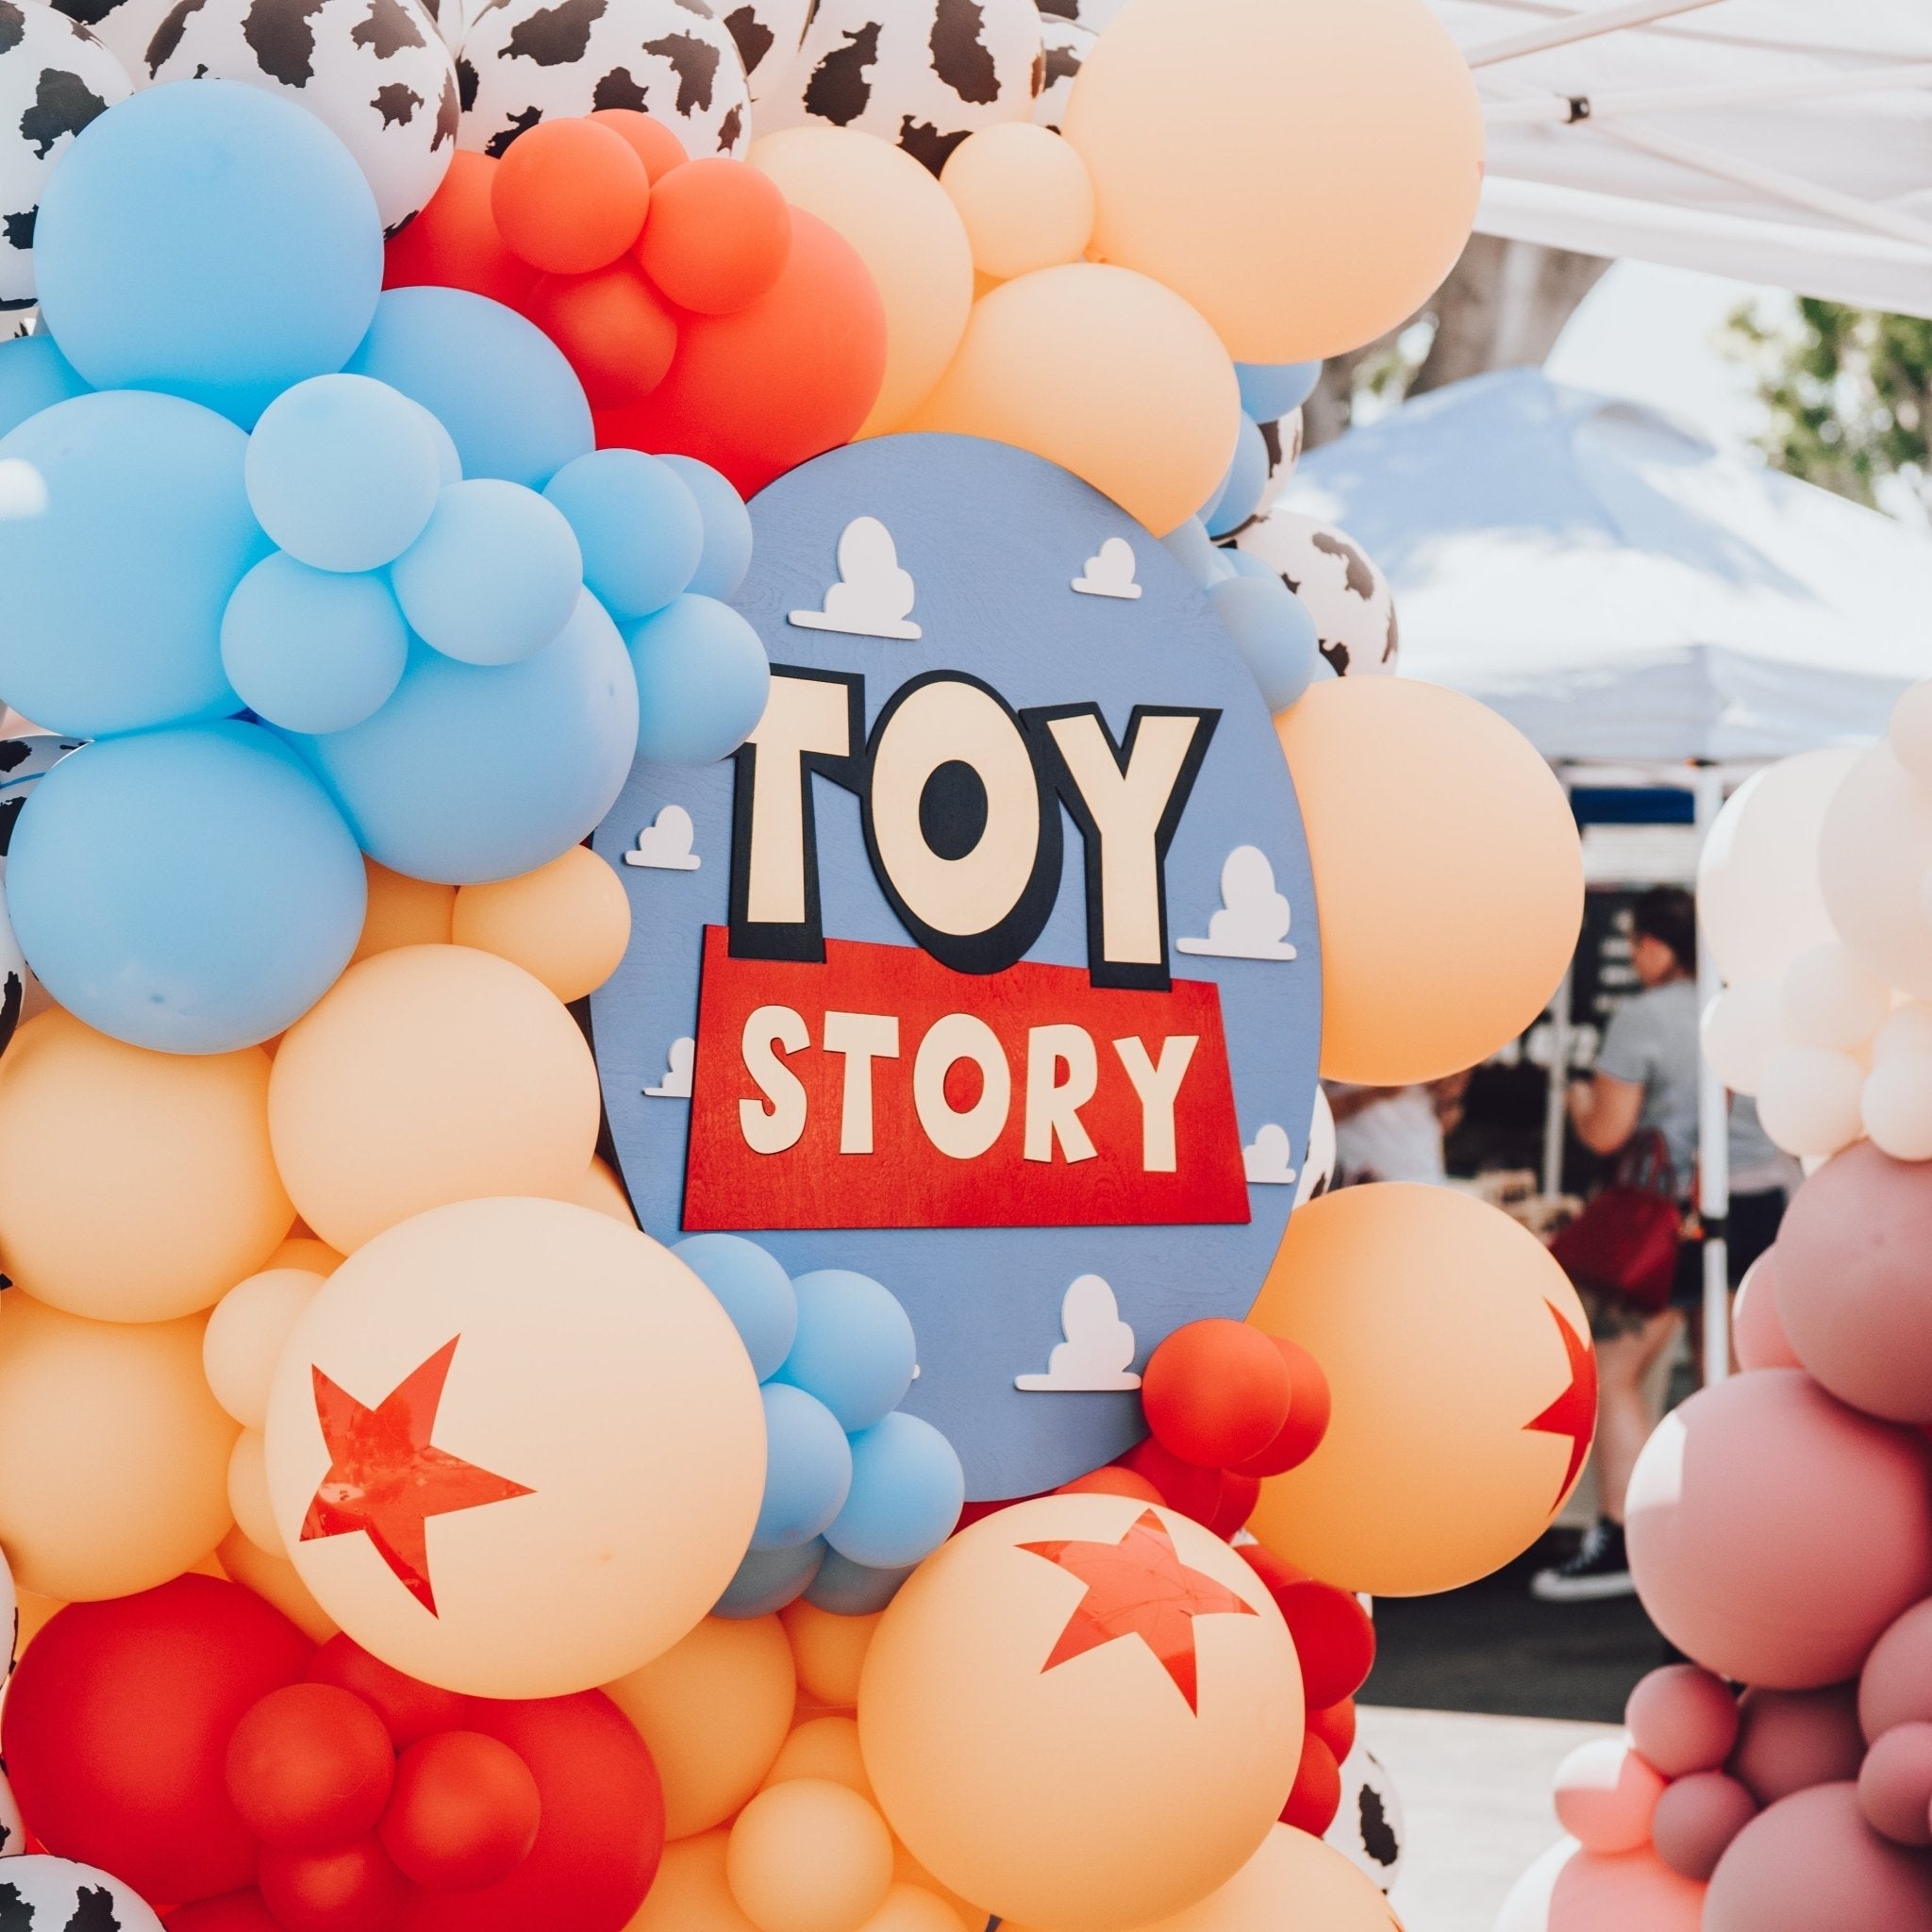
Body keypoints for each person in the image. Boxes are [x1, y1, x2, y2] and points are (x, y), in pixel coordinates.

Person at [1533, 887, 1700, 1604]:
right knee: (1742, 1383)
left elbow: (1606, 1131)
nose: (1631, 956)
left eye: (1636, 943)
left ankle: (1622, 1538)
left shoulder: (1644, 1016)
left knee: (1612, 1369)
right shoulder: (1740, 1002)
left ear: (1661, 945)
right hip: (1758, 1208)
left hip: (1668, 1218)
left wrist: (1575, 1098)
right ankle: (1724, 1539)